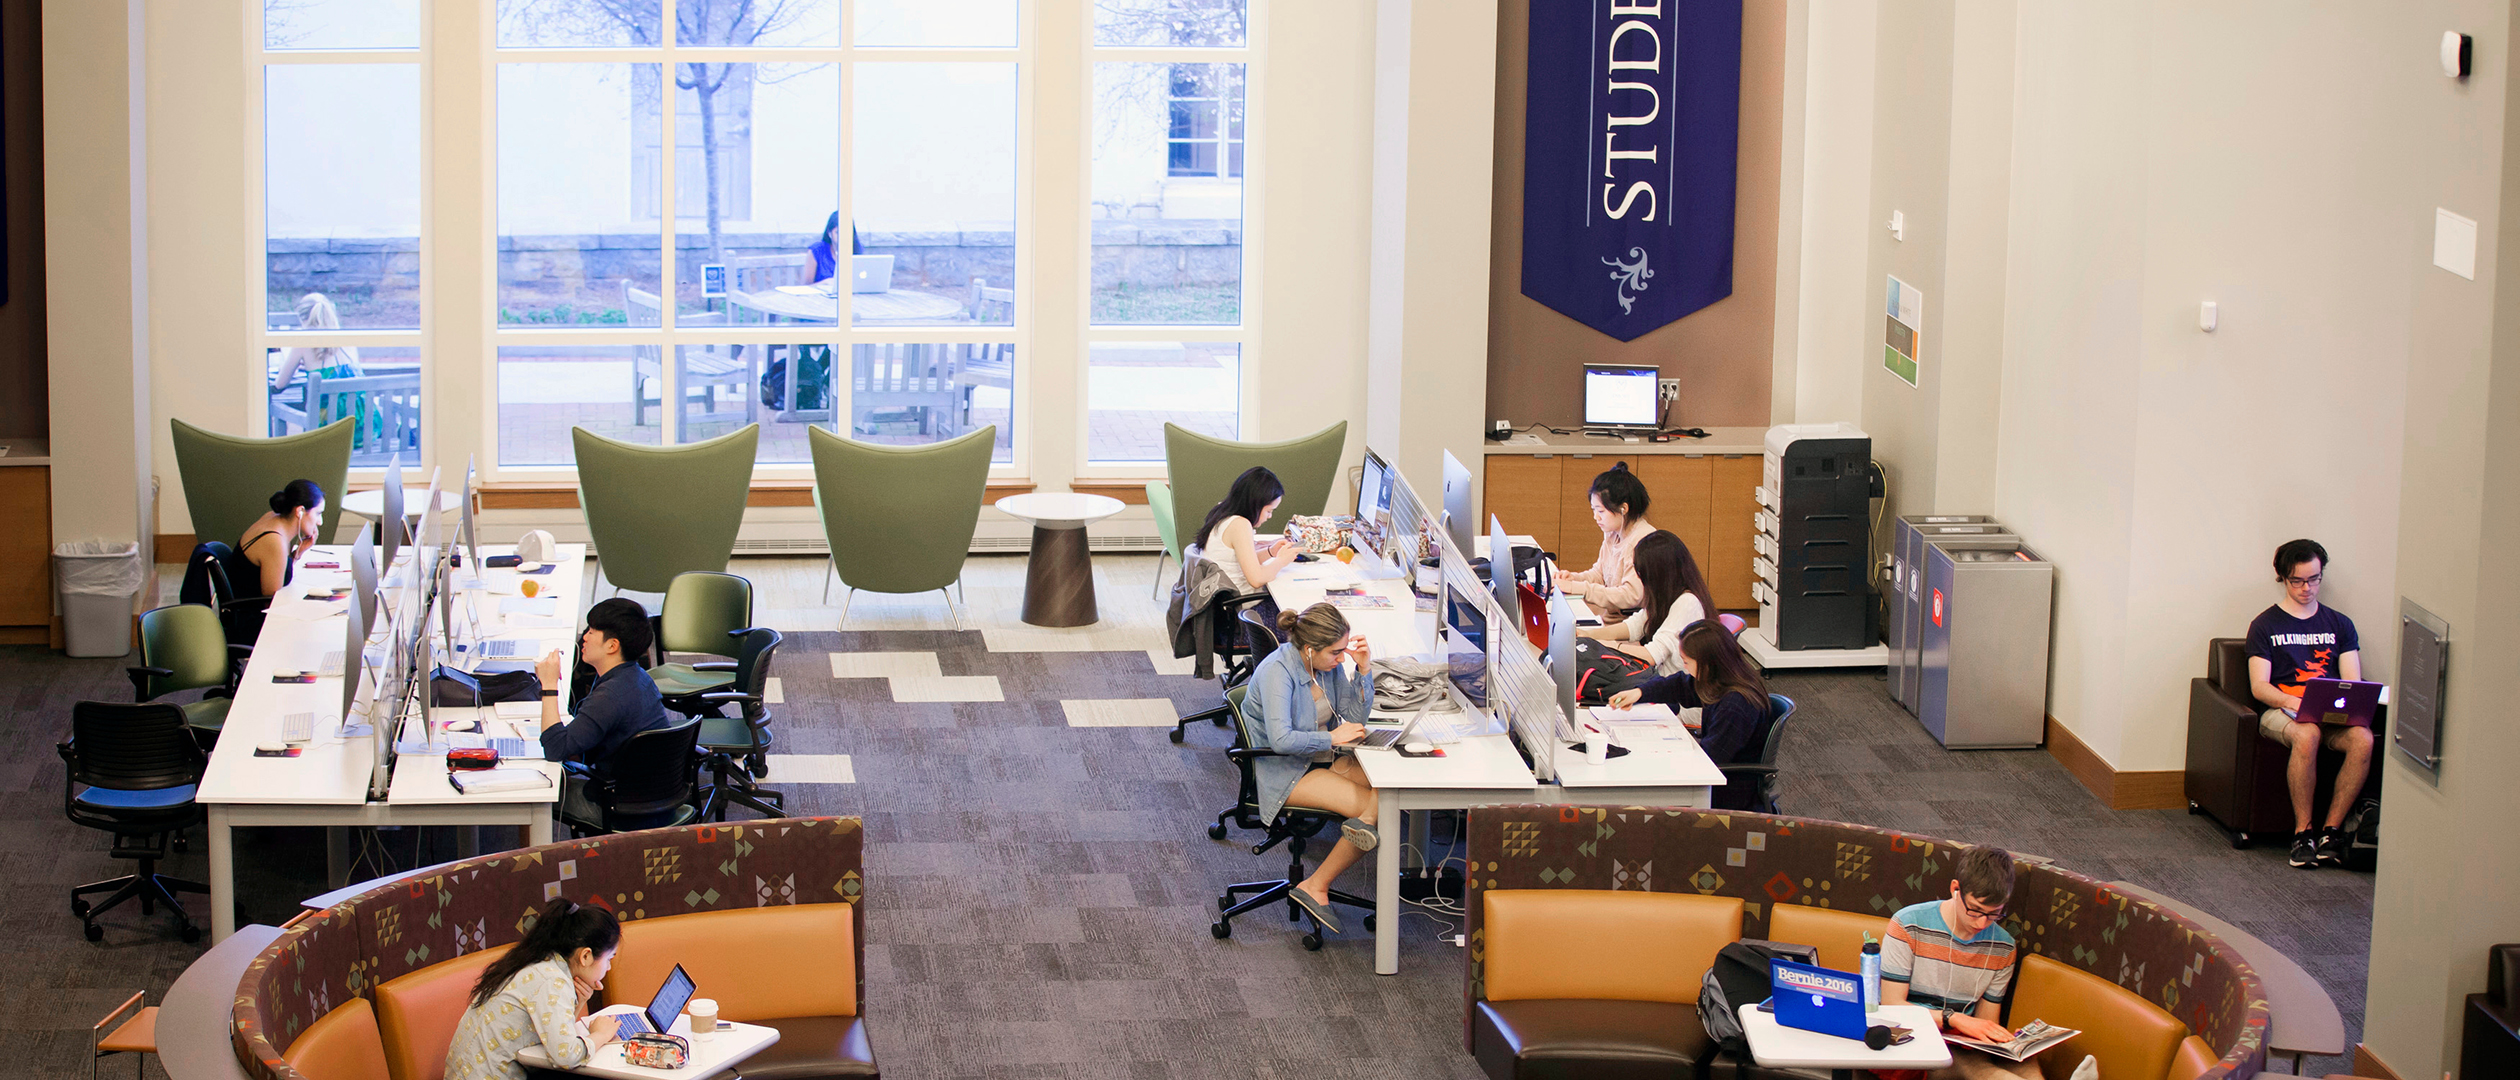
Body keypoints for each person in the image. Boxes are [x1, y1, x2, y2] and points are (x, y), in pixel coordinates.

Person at [1876, 846, 2099, 1080]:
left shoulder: (2003, 947)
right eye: (1976, 910)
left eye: (1995, 914)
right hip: (1912, 1039)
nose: (1982, 923)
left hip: (1963, 1040)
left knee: (2025, 1065)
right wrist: (1954, 1018)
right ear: (1955, 889)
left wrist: (2006, 1041)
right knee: (1982, 1073)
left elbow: (1986, 1020)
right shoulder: (1908, 925)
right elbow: (1893, 1004)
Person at [1246, 602, 1380, 934]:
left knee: (1389, 788)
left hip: (1320, 760)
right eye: (1336, 652)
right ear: (1309, 650)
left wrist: (1363, 671)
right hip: (1286, 770)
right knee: (1375, 808)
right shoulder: (1279, 672)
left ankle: (1343, 855)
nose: (1341, 658)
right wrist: (1331, 739)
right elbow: (1281, 741)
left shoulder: (1325, 666)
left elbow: (1354, 717)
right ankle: (1315, 885)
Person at [2245, 538, 2371, 870]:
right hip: (2280, 712)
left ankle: (2331, 831)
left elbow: (2351, 679)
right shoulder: (2265, 625)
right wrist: (2293, 701)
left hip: (2328, 714)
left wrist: (2346, 703)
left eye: (2314, 579)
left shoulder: (2340, 625)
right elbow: (2259, 687)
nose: (2307, 588)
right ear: (2283, 579)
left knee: (2363, 740)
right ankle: (2304, 833)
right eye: (2298, 581)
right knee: (2307, 733)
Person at [445, 898, 624, 1080]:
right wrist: (601, 1035)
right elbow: (566, 1056)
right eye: (609, 958)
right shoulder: (552, 981)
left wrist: (581, 1000)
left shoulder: (539, 961)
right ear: (585, 956)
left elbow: (556, 1039)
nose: (608, 968)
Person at [1605, 620, 1772, 809]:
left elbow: (1710, 761)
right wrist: (1639, 693)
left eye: (1686, 662)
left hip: (1727, 791)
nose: (1685, 668)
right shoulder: (1723, 678)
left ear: (1708, 664)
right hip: (1718, 774)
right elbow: (1680, 685)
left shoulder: (1735, 706)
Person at [538, 598, 672, 827]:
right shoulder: (636, 675)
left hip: (621, 809)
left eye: (591, 631)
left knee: (540, 793)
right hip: (654, 798)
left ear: (612, 646)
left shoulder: (611, 695)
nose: (584, 637)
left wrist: (548, 686)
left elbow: (555, 748)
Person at [1575, 530, 1712, 676]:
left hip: (1670, 690)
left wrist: (1606, 644)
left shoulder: (1687, 603)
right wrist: (1589, 635)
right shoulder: (1667, 596)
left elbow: (1652, 655)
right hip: (1657, 678)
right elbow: (1635, 626)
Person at [1192, 466, 1301, 630]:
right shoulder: (1240, 525)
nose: (1270, 516)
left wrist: (1271, 552)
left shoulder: (1222, 512)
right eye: (1269, 511)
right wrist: (1281, 561)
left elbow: (1239, 561)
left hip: (1224, 608)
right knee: (1302, 622)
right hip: (1240, 614)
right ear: (1255, 504)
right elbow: (1256, 579)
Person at [1556, 463, 1657, 614]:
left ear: (1624, 508)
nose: (1595, 517)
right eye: (1593, 510)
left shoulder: (1643, 541)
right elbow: (1599, 575)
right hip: (1609, 616)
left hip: (1628, 626)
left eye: (1600, 511)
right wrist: (1572, 579)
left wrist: (1578, 588)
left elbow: (1630, 596)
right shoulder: (1614, 532)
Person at [236, 480, 325, 599]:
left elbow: (279, 573)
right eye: (318, 513)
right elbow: (273, 601)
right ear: (300, 511)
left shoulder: (273, 518)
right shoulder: (274, 540)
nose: (320, 522)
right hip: (254, 613)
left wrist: (298, 552)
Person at [807, 211, 865, 286]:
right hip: (818, 296)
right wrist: (824, 283)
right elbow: (806, 286)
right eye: (838, 232)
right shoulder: (817, 250)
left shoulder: (857, 250)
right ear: (829, 233)